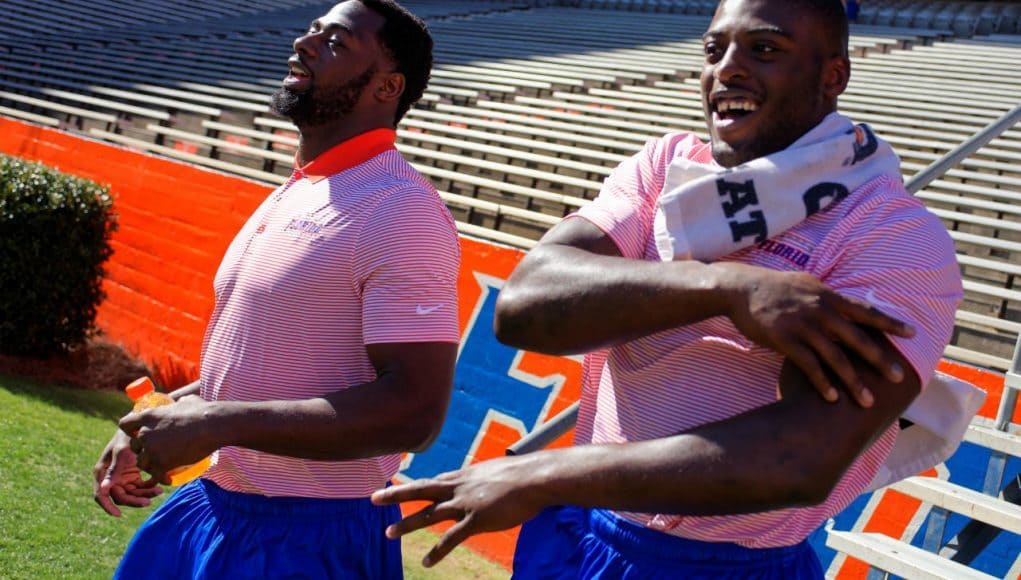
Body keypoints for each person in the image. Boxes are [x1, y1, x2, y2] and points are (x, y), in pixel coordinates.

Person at [372, 0, 963, 577]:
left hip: (729, 565)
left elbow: (799, 458)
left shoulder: (897, 236)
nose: (726, 68)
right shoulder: (667, 166)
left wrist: (543, 476)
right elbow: (525, 305)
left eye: (764, 49)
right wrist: (726, 288)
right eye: (714, 49)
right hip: (585, 533)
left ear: (833, 76)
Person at [92, 1, 460, 577]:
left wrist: (218, 422)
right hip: (213, 507)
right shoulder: (302, 187)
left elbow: (415, 411)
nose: (306, 43)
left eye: (336, 41)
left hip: (309, 537)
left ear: (388, 86)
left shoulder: (402, 208)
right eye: (311, 30)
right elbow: (266, 369)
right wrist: (166, 413)